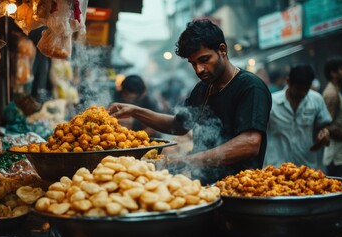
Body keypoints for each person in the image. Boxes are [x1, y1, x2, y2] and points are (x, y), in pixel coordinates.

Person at [108, 19, 272, 185]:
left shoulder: (250, 87)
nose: (199, 69)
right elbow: (178, 125)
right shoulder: (202, 89)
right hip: (204, 187)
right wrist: (135, 111)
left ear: (222, 50)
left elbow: (250, 143)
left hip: (240, 189)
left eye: (204, 59)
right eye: (193, 63)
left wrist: (190, 160)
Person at [263, 64, 331, 170]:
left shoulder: (316, 99)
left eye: (306, 89)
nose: (303, 93)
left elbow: (324, 124)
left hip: (306, 166)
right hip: (277, 168)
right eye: (299, 88)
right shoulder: (272, 102)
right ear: (289, 81)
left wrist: (324, 133)